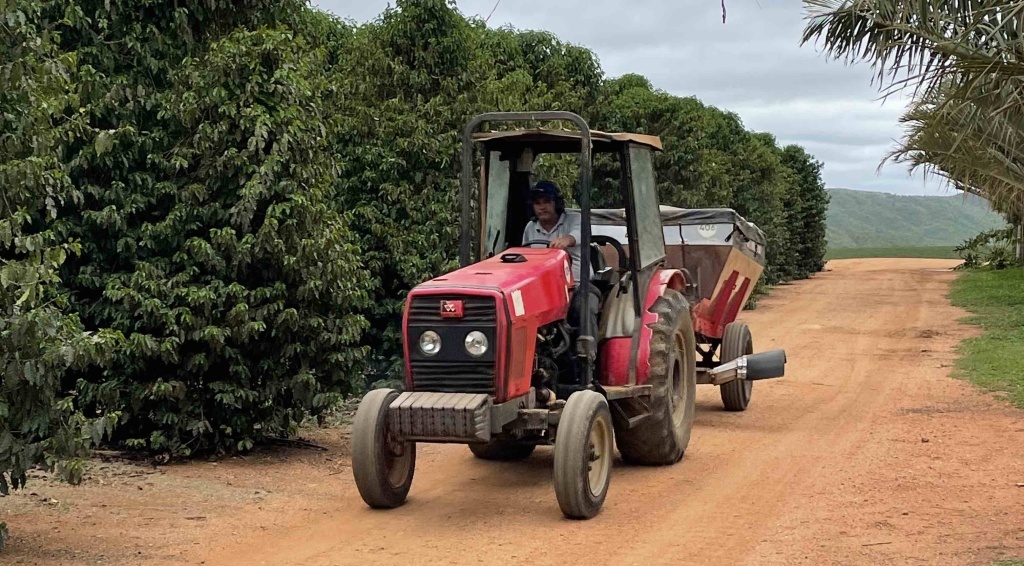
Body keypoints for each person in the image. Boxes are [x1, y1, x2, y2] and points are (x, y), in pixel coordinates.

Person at [522, 181, 601, 351]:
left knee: (585, 308)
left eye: (546, 202)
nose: (542, 207)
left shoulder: (574, 220)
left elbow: (579, 234)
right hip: (545, 291)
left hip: (580, 286)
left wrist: (566, 240)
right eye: (537, 203)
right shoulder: (530, 228)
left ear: (556, 203)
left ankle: (587, 358)